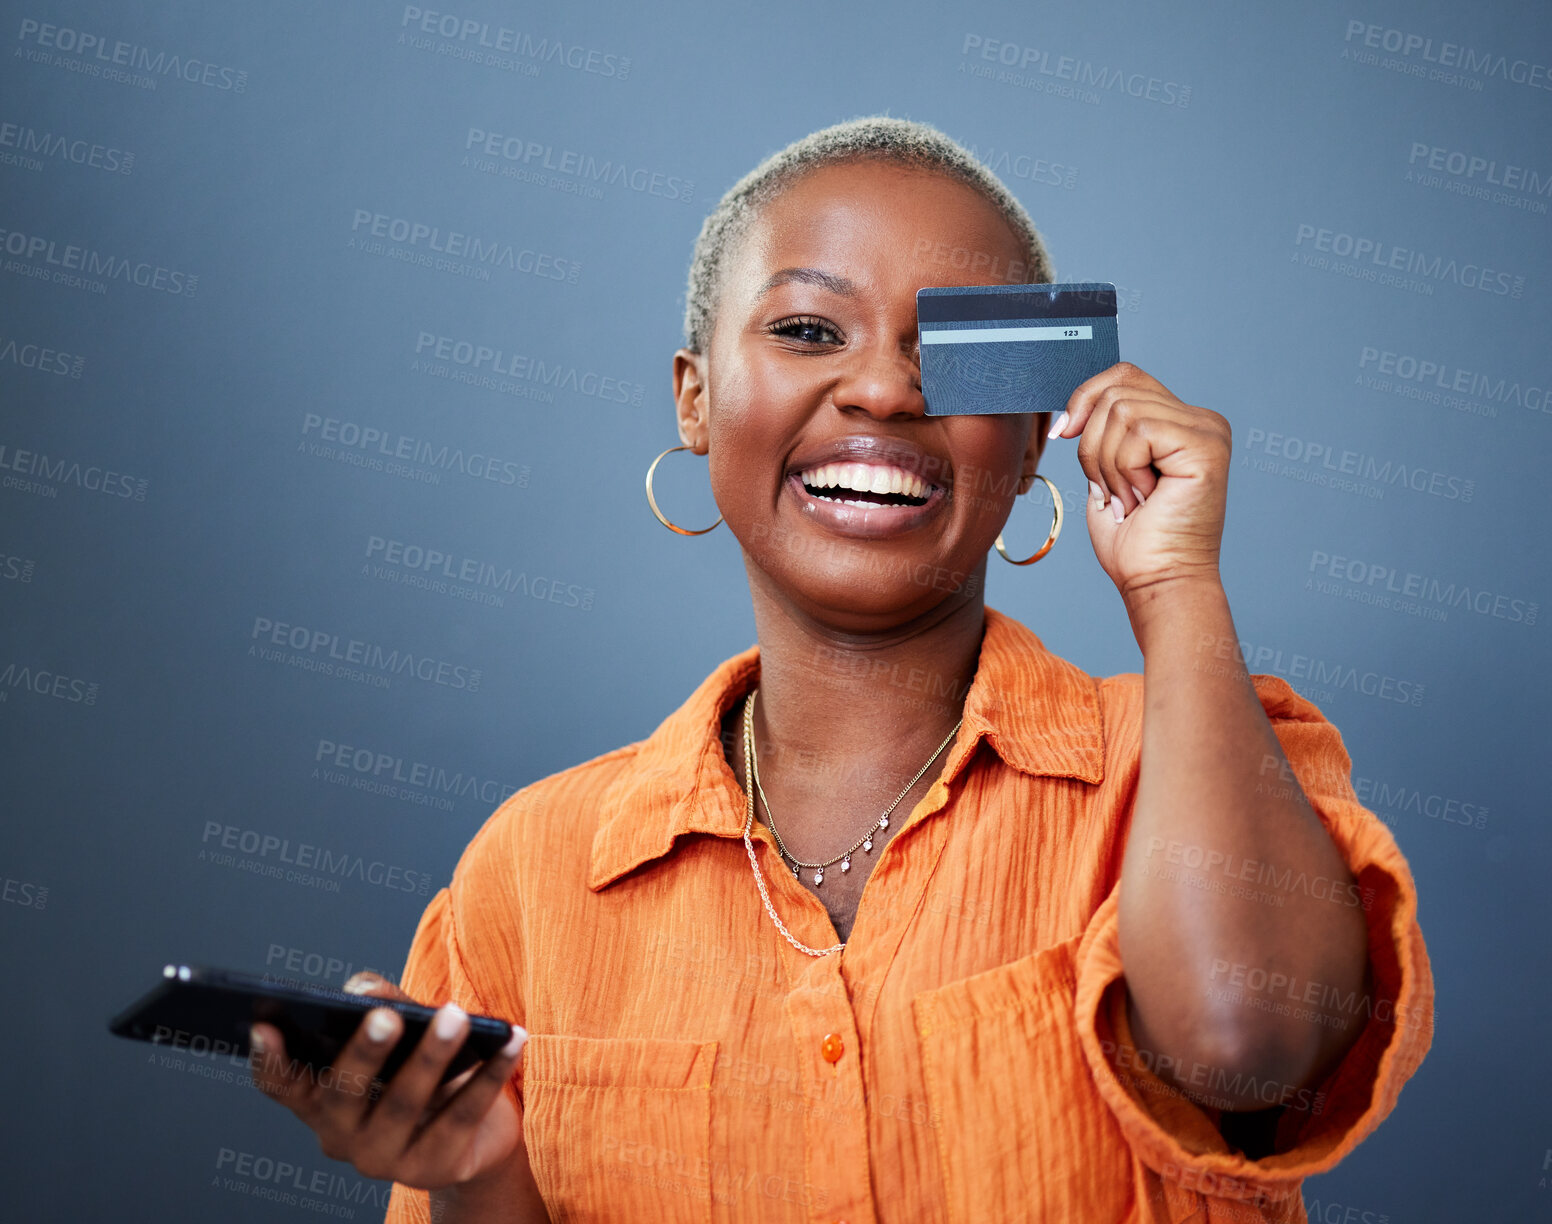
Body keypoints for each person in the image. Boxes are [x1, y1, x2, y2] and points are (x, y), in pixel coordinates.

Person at [250, 115, 1433, 1223]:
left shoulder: (1202, 764)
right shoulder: (530, 872)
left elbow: (1246, 1042)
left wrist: (1175, 587)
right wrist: (479, 1180)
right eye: (809, 331)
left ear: (1031, 440)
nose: (881, 389)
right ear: (696, 399)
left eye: (950, 351)